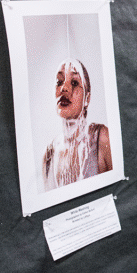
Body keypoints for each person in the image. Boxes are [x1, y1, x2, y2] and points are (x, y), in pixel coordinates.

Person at [42, 58, 112, 191]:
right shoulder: (49, 155)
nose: (64, 88)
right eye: (59, 82)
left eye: (74, 83)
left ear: (87, 99)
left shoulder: (101, 138)